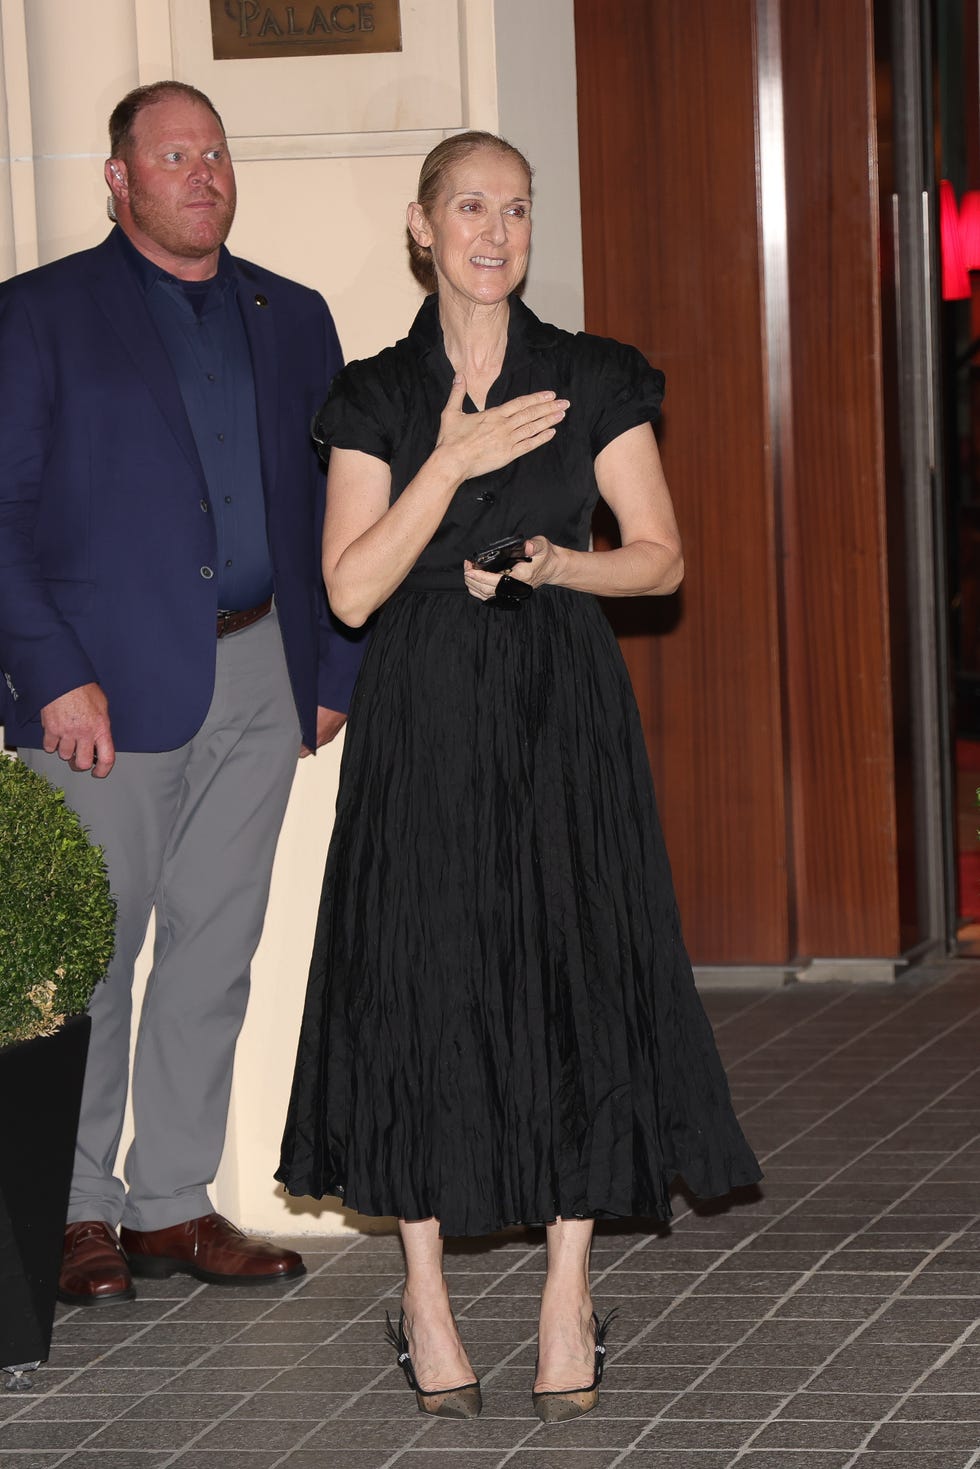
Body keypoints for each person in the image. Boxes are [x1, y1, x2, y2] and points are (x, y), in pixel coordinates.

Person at [276, 130, 760, 1421]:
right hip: (425, 711)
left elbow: (658, 560)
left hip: (560, 708)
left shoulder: (592, 376)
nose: (497, 230)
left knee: (568, 977)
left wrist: (556, 565)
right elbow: (352, 588)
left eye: (519, 209)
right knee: (425, 982)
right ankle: (425, 1296)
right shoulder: (376, 394)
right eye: (472, 206)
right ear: (423, 227)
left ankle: (565, 1293)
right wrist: (451, 462)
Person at [0, 81, 364, 1306]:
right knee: (89, 960)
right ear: (120, 178)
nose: (201, 172)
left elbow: (333, 506)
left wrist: (332, 667)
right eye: (171, 155)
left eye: (213, 151)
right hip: (99, 693)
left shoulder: (294, 315)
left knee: (215, 952)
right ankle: (71, 1210)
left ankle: (170, 1205)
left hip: (263, 670)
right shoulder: (36, 316)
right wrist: (51, 673)